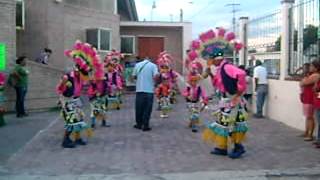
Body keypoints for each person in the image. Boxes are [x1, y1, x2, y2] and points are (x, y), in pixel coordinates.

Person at [188, 28, 248, 159]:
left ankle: (239, 147)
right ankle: (222, 147)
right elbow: (218, 83)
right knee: (223, 123)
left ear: (217, 58)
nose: (211, 62)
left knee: (232, 125)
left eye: (211, 59)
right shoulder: (221, 68)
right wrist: (209, 74)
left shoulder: (227, 67)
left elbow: (242, 74)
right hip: (225, 101)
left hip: (232, 100)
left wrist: (239, 92)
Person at [132, 57, 159, 131]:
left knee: (139, 108)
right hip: (149, 90)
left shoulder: (137, 65)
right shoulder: (153, 65)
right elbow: (156, 75)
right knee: (147, 109)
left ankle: (139, 124)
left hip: (139, 90)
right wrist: (155, 82)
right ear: (150, 60)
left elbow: (134, 76)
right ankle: (145, 125)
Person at [182, 61, 208, 133]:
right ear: (190, 81)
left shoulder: (199, 87)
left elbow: (204, 94)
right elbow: (184, 93)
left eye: (195, 81)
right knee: (193, 113)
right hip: (190, 103)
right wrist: (187, 95)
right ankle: (193, 125)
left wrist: (205, 101)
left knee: (195, 114)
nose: (193, 82)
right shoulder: (188, 87)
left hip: (196, 102)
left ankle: (193, 124)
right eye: (192, 81)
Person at [299, 63, 317, 141]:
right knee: (307, 116)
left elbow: (303, 83)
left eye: (311, 66)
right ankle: (306, 132)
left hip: (310, 98)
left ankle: (310, 134)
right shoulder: (309, 75)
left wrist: (304, 80)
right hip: (306, 97)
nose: (309, 68)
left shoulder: (315, 75)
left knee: (310, 117)